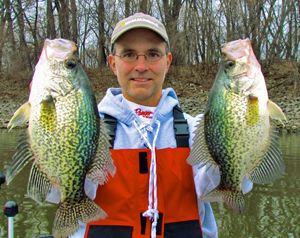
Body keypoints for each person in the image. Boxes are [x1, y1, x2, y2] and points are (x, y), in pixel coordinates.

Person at [68, 12, 251, 238]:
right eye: (129, 54)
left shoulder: (195, 129)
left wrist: (246, 130)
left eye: (153, 54)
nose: (141, 66)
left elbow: (220, 190)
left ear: (168, 62)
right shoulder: (86, 128)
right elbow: (59, 196)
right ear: (113, 63)